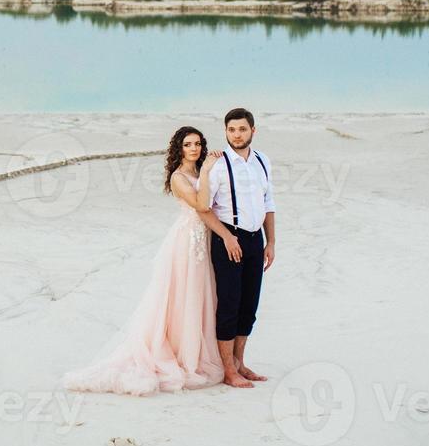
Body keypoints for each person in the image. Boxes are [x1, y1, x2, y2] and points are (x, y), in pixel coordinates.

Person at [62, 126, 226, 396]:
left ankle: (196, 349)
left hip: (205, 239)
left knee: (201, 294)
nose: (194, 149)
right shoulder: (179, 177)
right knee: (184, 294)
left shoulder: (199, 172)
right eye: (188, 145)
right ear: (179, 149)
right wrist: (208, 171)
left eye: (198, 144)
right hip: (187, 241)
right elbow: (201, 204)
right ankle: (179, 353)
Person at [197, 107, 276, 389]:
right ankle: (229, 370)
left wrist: (271, 242)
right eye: (231, 130)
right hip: (228, 239)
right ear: (226, 132)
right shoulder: (219, 165)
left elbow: (268, 203)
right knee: (229, 305)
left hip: (256, 240)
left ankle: (241, 363)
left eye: (242, 129)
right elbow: (203, 208)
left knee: (249, 305)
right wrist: (228, 237)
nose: (236, 135)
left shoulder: (263, 161)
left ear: (253, 131)